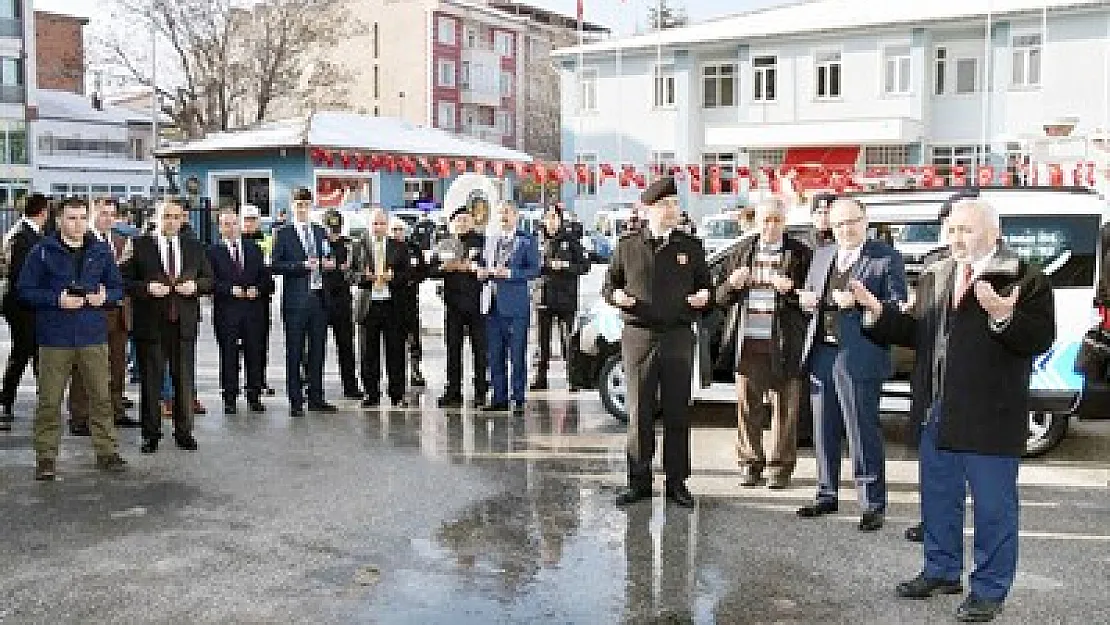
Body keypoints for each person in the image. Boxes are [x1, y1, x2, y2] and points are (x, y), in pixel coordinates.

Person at [852, 199, 1054, 623]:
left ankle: (989, 590)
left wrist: (1003, 315)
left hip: (989, 415)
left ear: (994, 233)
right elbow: (920, 333)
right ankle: (941, 571)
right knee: (938, 499)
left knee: (993, 509)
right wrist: (878, 313)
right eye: (952, 230)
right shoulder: (938, 270)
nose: (956, 238)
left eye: (966, 230)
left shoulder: (1025, 279)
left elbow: (1038, 337)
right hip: (936, 409)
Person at [795, 198, 907, 531]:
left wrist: (864, 304)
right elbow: (811, 296)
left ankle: (872, 503)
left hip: (860, 354)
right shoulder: (822, 255)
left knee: (862, 430)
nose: (846, 229)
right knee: (823, 428)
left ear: (866, 221)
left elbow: (897, 306)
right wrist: (806, 300)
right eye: (839, 223)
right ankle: (826, 493)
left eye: (852, 222)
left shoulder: (885, 258)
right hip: (823, 352)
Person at [602, 177, 712, 509]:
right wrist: (615, 296)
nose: (672, 210)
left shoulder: (689, 246)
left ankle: (677, 483)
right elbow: (609, 285)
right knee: (640, 412)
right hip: (640, 337)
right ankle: (639, 481)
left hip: (678, 336)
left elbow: (706, 286)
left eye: (675, 205)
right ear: (648, 209)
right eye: (665, 205)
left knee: (678, 412)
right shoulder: (628, 246)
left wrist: (704, 296)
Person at [17, 198, 128, 479]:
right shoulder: (42, 251)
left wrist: (106, 297)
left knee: (102, 398)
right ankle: (46, 457)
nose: (77, 224)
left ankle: (107, 451)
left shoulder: (100, 250)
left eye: (81, 218)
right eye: (71, 218)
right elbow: (25, 291)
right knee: (49, 401)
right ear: (59, 220)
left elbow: (117, 287)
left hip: (92, 335)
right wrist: (57, 299)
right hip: (55, 338)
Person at [714, 197, 813, 490]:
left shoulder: (801, 254)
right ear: (756, 222)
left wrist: (792, 291)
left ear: (785, 222)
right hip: (749, 340)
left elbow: (813, 300)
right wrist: (732, 284)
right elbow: (719, 299)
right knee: (748, 408)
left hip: (784, 342)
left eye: (777, 220)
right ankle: (749, 463)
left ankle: (779, 469)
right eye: (765, 220)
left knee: (785, 409)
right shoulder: (742, 252)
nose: (771, 226)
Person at [123, 198, 213, 453]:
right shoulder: (140, 245)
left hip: (183, 324)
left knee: (183, 380)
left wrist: (195, 286)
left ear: (182, 219)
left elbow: (209, 279)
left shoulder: (194, 247)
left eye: (176, 217)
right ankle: (150, 434)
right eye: (167, 216)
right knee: (151, 381)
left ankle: (184, 432)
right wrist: (147, 288)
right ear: (156, 218)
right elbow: (123, 279)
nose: (172, 222)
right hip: (151, 324)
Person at [67, 198, 141, 434]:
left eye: (111, 214)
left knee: (117, 365)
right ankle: (80, 418)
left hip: (119, 313)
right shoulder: (83, 244)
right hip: (92, 313)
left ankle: (116, 411)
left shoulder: (120, 241)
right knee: (84, 367)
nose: (107, 218)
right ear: (91, 216)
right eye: (102, 213)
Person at [270, 188, 337, 417]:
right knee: (295, 351)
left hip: (319, 298)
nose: (302, 209)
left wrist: (329, 264)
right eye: (298, 205)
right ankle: (295, 400)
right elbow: (275, 265)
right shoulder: (283, 233)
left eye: (306, 205)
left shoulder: (319, 231)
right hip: (296, 302)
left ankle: (316, 396)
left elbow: (328, 256)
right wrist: (300, 265)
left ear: (311, 206)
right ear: (292, 206)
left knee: (318, 350)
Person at [479, 201, 540, 413]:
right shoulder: (491, 240)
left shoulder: (526, 240)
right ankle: (499, 397)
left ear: (516, 216)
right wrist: (482, 272)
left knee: (517, 354)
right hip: (492, 305)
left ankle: (518, 398)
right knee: (495, 355)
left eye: (506, 213)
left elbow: (534, 270)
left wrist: (512, 274)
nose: (503, 217)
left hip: (515, 308)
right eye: (500, 214)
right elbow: (483, 264)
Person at [208, 208, 269, 414]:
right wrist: (228, 289)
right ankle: (230, 397)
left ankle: (254, 394)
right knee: (229, 355)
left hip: (253, 311)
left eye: (234, 223)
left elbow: (267, 279)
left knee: (255, 353)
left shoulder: (254, 249)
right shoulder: (213, 252)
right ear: (220, 227)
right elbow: (209, 283)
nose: (231, 228)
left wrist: (258, 289)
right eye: (226, 224)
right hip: (227, 312)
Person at [348, 207, 410, 407]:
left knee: (396, 351)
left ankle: (397, 394)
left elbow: (407, 274)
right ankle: (371, 393)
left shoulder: (399, 246)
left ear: (388, 225)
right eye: (375, 223)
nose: (379, 227)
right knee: (368, 353)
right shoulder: (357, 246)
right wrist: (363, 278)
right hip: (368, 305)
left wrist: (394, 278)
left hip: (392, 305)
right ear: (369, 225)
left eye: (382, 223)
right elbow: (349, 274)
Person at [0, 193, 48, 428]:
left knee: (35, 351)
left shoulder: (25, 233)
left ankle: (44, 401)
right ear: (42, 212)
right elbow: (19, 273)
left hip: (27, 304)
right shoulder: (22, 236)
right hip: (21, 305)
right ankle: (6, 400)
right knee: (23, 352)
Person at [531, 205, 590, 391]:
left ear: (560, 220)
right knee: (542, 342)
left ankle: (573, 379)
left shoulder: (571, 240)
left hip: (566, 298)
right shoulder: (536, 241)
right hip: (544, 297)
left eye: (554, 218)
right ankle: (541, 377)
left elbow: (584, 266)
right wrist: (546, 264)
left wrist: (565, 265)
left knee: (569, 341)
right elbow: (530, 266)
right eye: (548, 218)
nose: (551, 222)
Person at [434, 207, 488, 408]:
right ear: (452, 222)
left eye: (466, 220)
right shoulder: (445, 242)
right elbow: (432, 269)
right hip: (453, 305)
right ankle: (453, 391)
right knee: (453, 350)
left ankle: (481, 391)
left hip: (476, 304)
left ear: (472, 222)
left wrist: (472, 268)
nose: (462, 223)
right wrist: (444, 268)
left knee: (480, 350)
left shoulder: (482, 241)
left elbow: (487, 265)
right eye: (459, 220)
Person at [321, 209, 363, 400]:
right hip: (321, 298)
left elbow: (357, 273)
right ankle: (311, 385)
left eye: (336, 228)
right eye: (330, 228)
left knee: (346, 345)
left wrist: (348, 271)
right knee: (314, 346)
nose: (333, 232)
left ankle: (350, 386)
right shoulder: (318, 244)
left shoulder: (349, 245)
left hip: (342, 299)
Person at [239, 204, 276, 396]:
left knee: (260, 344)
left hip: (260, 299)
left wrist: (260, 289)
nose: (250, 223)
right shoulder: (234, 240)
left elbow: (270, 270)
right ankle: (242, 383)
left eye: (253, 219)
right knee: (239, 347)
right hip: (238, 300)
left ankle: (259, 381)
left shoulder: (267, 240)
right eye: (246, 219)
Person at [391, 218, 427, 387]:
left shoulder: (414, 248)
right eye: (394, 229)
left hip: (410, 299)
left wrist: (413, 280)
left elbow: (423, 270)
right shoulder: (386, 248)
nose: (397, 233)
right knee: (395, 340)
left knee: (413, 337)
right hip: (391, 300)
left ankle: (415, 369)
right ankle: (397, 375)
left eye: (400, 229)